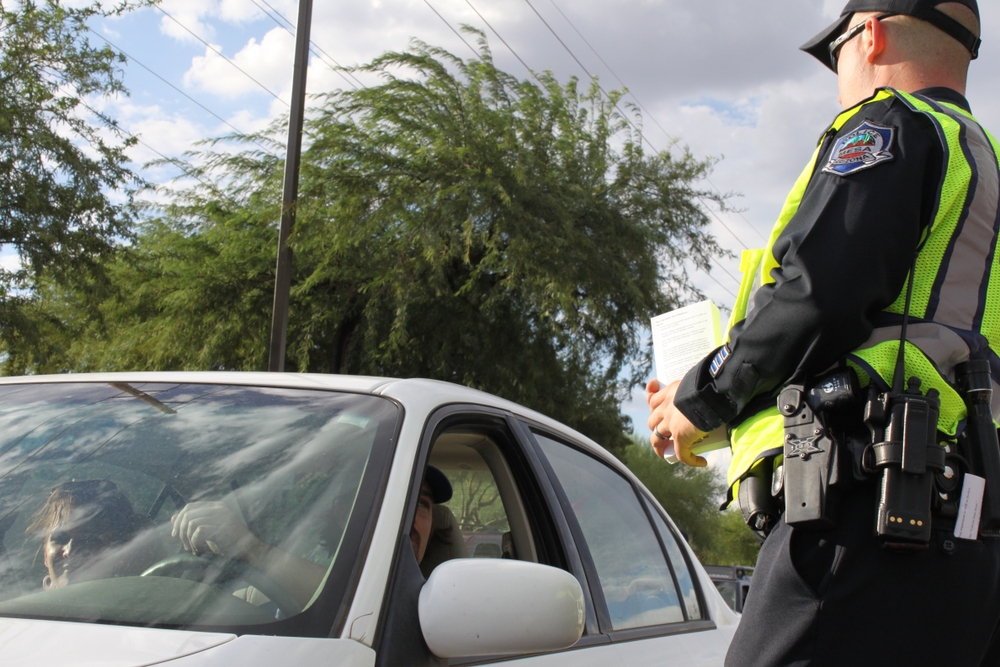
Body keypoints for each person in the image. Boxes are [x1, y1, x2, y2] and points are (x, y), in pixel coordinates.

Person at [647, 2, 1000, 665]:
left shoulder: (891, 124)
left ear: (869, 33)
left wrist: (697, 401)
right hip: (969, 534)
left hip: (869, 519)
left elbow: (815, 300)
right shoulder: (985, 167)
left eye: (832, 52)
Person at [169, 465, 453, 607]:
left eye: (422, 505)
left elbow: (353, 601)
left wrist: (246, 545)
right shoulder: (272, 591)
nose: (408, 518)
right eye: (392, 500)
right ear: (344, 512)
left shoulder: (438, 605)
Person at [27, 479, 159, 590]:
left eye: (88, 540)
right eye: (60, 538)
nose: (70, 551)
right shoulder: (19, 615)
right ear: (45, 555)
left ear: (121, 550)